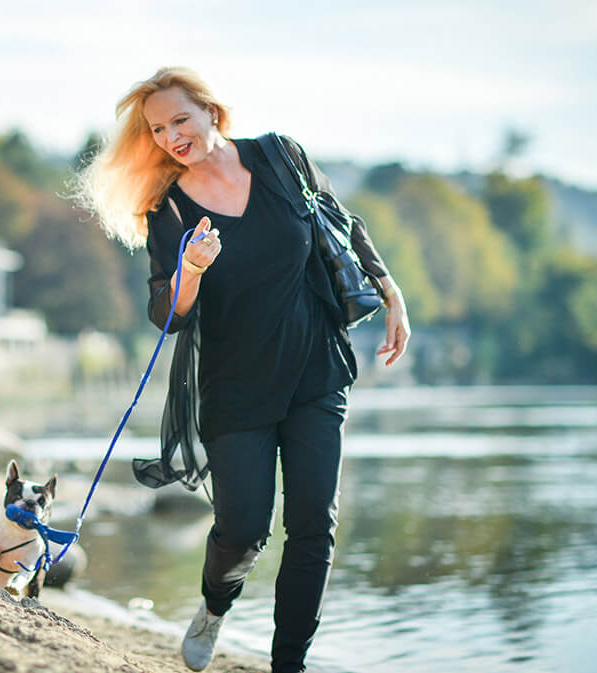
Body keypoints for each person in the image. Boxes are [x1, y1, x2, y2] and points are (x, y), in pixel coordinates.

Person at [76, 67, 411, 673]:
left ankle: (290, 665)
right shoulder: (169, 208)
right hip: (235, 387)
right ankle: (213, 606)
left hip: (315, 370)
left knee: (314, 525)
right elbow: (166, 313)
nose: (172, 136)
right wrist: (192, 271)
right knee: (243, 529)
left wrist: (392, 293)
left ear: (211, 111)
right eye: (158, 129)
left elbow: (342, 224)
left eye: (180, 119)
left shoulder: (280, 155)